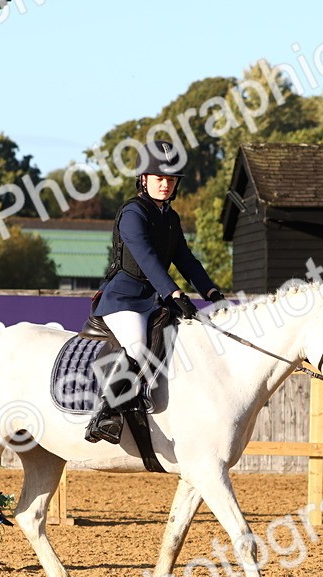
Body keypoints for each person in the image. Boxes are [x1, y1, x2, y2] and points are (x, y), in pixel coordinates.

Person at [84, 141, 225, 445]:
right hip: (125, 297)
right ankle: (106, 415)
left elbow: (186, 260)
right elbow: (146, 258)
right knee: (136, 347)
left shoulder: (170, 218)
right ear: (144, 179)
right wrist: (175, 294)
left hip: (156, 298)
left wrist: (212, 293)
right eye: (159, 179)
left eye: (170, 180)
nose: (165, 185)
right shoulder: (133, 213)